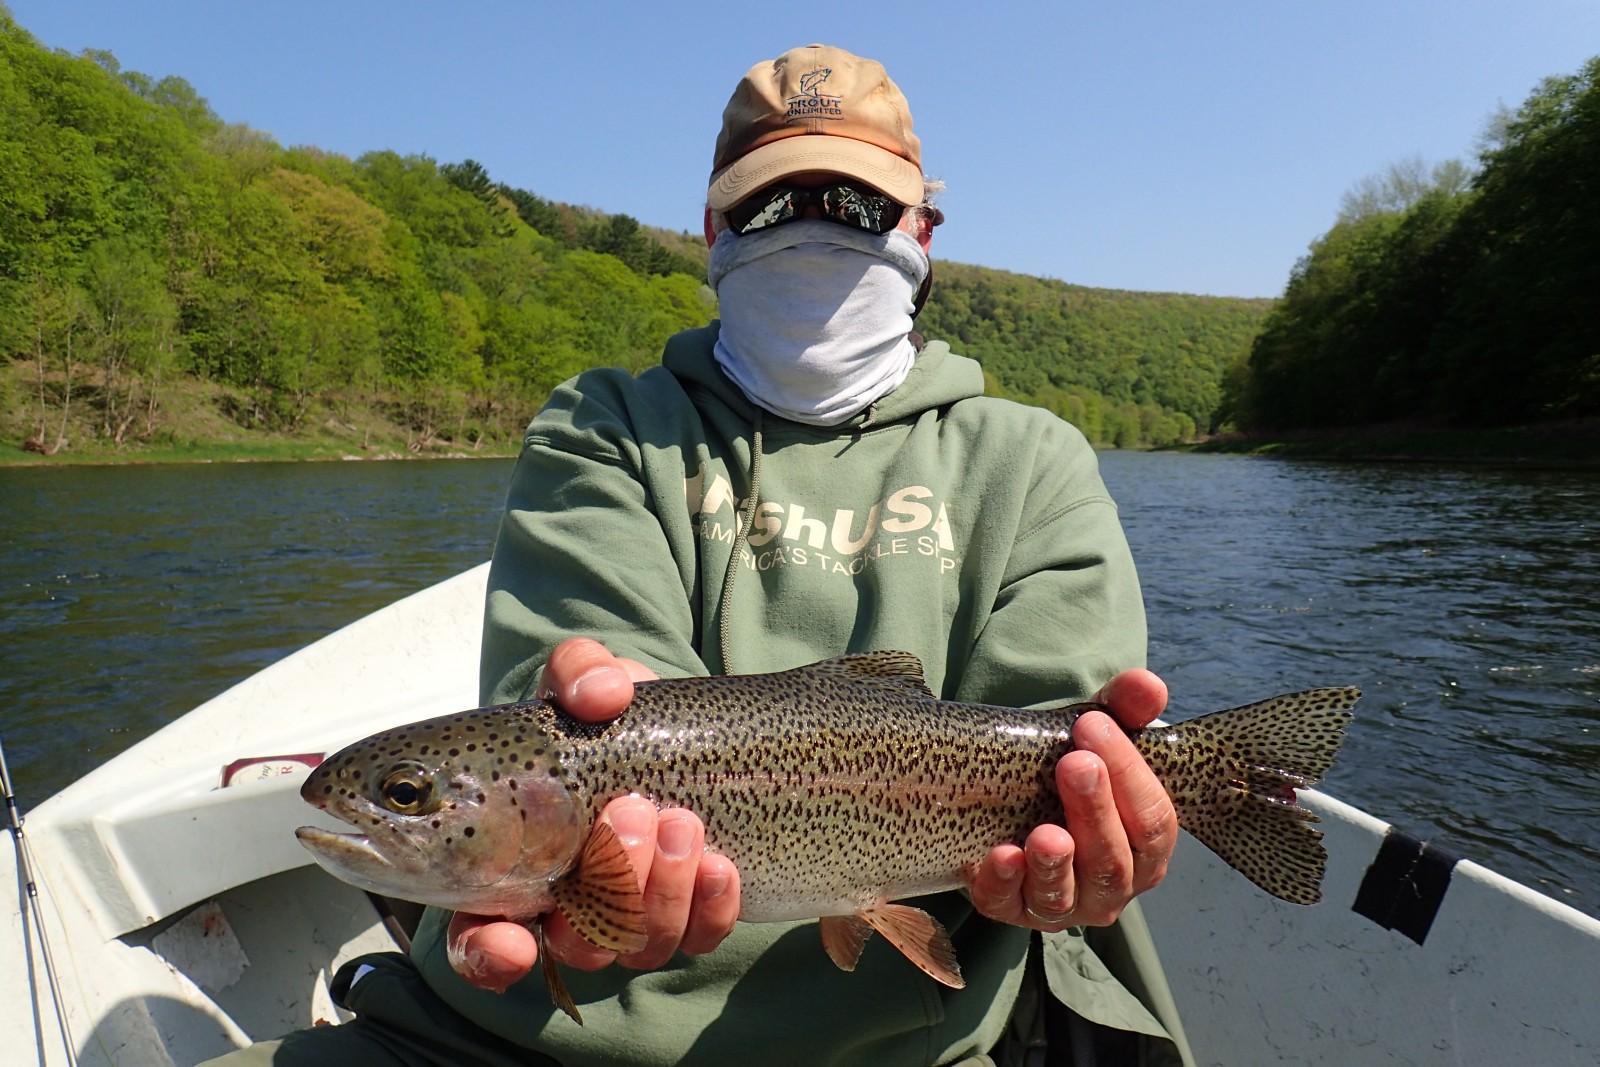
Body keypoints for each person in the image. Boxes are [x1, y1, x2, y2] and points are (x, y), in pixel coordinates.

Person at [206, 42, 1191, 1067]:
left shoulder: (1029, 461)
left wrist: (1087, 846)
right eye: (772, 203)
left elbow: (1063, 763)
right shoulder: (604, 425)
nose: (812, 225)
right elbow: (597, 687)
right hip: (509, 1039)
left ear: (923, 233)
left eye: (856, 203)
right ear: (713, 229)